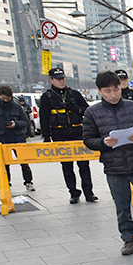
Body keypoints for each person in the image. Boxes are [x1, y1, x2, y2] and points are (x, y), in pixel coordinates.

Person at [83, 70, 133, 255]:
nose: (113, 94)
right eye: (108, 91)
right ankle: (129, 239)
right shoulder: (92, 112)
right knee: (122, 205)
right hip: (113, 166)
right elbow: (87, 139)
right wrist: (103, 143)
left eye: (116, 89)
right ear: (100, 91)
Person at [38, 66, 98, 204]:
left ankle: (89, 192)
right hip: (60, 134)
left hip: (77, 133)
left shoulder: (74, 94)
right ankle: (73, 193)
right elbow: (44, 118)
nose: (61, 81)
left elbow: (86, 111)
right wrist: (47, 137)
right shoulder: (47, 97)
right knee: (67, 166)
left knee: (84, 164)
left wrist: (75, 108)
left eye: (63, 78)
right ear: (52, 80)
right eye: (58, 79)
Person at [0, 85, 34, 192]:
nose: (6, 100)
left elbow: (26, 122)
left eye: (8, 98)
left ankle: (28, 182)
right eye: (3, 98)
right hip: (1, 137)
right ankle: (6, 184)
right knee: (4, 163)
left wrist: (15, 124)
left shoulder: (16, 106)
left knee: (24, 161)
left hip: (17, 137)